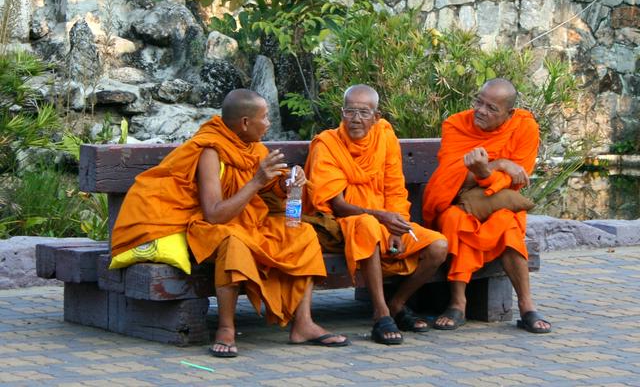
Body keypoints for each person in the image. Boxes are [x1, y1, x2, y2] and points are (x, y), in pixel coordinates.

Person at [111, 89, 349, 358]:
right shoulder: (210, 151)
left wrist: (286, 184)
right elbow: (214, 213)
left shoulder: (252, 147)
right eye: (265, 117)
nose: (269, 123)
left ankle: (303, 323)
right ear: (245, 123)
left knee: (302, 233)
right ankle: (226, 327)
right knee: (234, 244)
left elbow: (269, 187)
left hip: (249, 222)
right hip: (210, 228)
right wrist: (257, 181)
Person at [305, 84, 448, 345]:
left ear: (376, 115)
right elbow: (336, 204)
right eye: (350, 111)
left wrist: (395, 224)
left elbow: (394, 187)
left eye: (363, 112)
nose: (355, 119)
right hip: (346, 222)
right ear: (341, 112)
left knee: (438, 246)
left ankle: (397, 303)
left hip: (385, 218)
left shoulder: (384, 136)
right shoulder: (327, 143)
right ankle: (380, 313)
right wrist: (381, 218)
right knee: (368, 226)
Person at [422, 78, 552, 333]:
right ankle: (458, 302)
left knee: (508, 224)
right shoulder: (456, 124)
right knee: (453, 219)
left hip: (499, 202)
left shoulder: (524, 126)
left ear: (509, 113)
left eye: (492, 108)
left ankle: (526, 305)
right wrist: (499, 165)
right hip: (458, 201)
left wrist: (484, 172)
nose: (480, 111)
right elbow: (451, 179)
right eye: (478, 102)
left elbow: (516, 180)